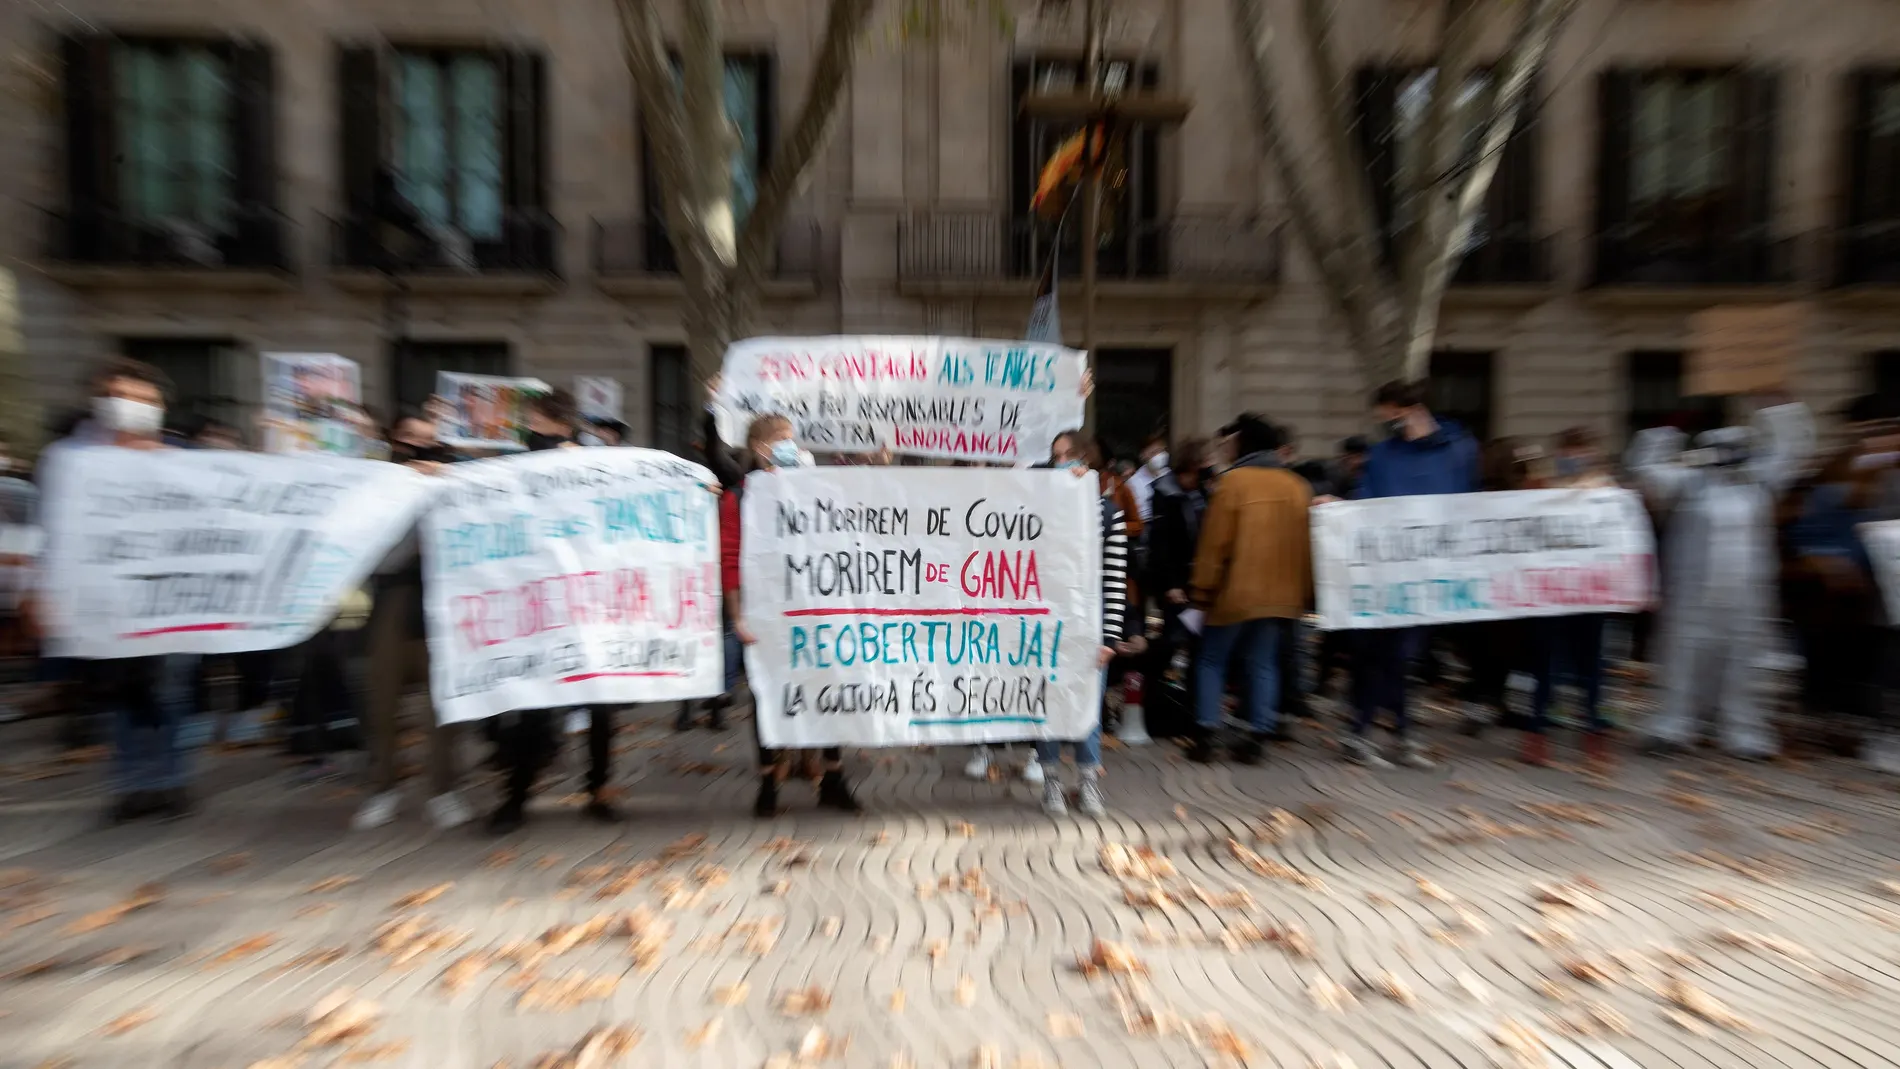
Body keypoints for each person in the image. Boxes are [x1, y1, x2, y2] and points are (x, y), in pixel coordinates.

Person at [42, 358, 201, 822]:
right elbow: (55, 529)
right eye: (122, 397)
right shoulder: (74, 462)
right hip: (108, 603)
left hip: (171, 602)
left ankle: (171, 780)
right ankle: (133, 784)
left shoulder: (184, 463)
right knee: (122, 696)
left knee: (171, 692)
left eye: (144, 400)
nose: (132, 408)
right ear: (101, 402)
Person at [1627, 395, 1813, 759]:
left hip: (1746, 594)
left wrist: (1777, 411)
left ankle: (1744, 731)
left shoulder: (1759, 483)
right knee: (1683, 658)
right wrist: (1669, 429)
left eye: (1735, 448)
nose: (1728, 454)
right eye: (1721, 448)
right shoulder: (1689, 483)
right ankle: (1673, 725)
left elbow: (1793, 451)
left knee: (1743, 661)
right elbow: (1644, 467)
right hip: (1693, 591)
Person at [488, 390, 622, 833]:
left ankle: (594, 790)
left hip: (585, 598)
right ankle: (518, 794)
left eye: (536, 418)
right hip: (542, 599)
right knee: (535, 701)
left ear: (557, 421)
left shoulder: (589, 462)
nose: (530, 425)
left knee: (598, 704)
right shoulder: (519, 461)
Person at [729, 414, 863, 817]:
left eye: (793, 439)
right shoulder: (740, 496)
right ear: (760, 448)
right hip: (768, 614)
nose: (793, 446)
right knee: (769, 693)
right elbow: (731, 560)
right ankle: (769, 783)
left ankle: (834, 777)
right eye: (783, 440)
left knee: (827, 687)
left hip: (816, 610)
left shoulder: (812, 490)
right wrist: (737, 616)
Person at [1345, 380, 1479, 769]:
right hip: (1386, 573)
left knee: (1404, 657)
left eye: (1388, 415)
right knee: (1380, 653)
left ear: (1409, 409)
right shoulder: (1383, 455)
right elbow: (1366, 501)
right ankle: (1371, 732)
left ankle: (1381, 732)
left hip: (1430, 572)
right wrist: (1339, 508)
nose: (1387, 423)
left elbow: (1468, 505)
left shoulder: (1458, 450)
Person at [354, 414, 473, 832]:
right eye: (410, 438)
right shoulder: (375, 486)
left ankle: (444, 789)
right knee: (382, 706)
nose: (420, 447)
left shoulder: (454, 481)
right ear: (395, 441)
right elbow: (373, 554)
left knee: (444, 708)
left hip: (442, 606)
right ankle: (383, 787)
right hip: (392, 603)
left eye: (429, 440)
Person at [1185, 416, 1313, 763]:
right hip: (1282, 595)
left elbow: (1215, 545)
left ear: (1245, 444)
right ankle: (1257, 735)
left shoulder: (1232, 484)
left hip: (1235, 592)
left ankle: (1207, 733)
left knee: (1212, 660)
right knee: (1263, 662)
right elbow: (1307, 546)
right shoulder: (1297, 486)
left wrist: (1201, 590)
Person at [1034, 451, 1132, 817]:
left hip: (1089, 627)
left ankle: (1088, 780)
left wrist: (1109, 637)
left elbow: (1115, 578)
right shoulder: (1039, 512)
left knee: (1088, 705)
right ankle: (1051, 782)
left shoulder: (1108, 514)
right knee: (1047, 703)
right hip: (1045, 625)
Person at [1524, 427, 1619, 769]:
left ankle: (1592, 729)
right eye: (1568, 451)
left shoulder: (1607, 491)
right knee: (1547, 664)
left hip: (1590, 591)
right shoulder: (1546, 487)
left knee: (1591, 664)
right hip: (1553, 590)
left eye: (1580, 451)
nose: (1573, 458)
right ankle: (1538, 730)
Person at [1127, 431, 1169, 525]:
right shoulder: (1133, 483)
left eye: (1161, 451)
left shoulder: (1170, 476)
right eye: (1154, 452)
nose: (1159, 456)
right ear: (1143, 455)